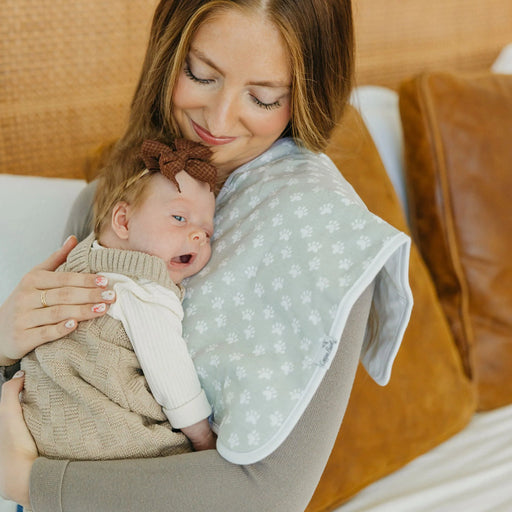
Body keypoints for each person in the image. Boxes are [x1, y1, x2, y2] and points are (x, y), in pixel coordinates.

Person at [0, 1, 412, 511]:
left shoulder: (328, 241)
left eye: (263, 97)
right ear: (169, 56)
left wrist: (30, 483)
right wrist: (5, 343)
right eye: (200, 74)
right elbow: (42, 394)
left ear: (306, 96)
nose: (217, 120)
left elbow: (270, 494)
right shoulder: (106, 203)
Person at [21, 138, 218, 460]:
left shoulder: (76, 263)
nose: (197, 235)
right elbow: (169, 369)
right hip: (102, 436)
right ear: (123, 221)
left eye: (207, 232)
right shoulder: (145, 286)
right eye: (179, 218)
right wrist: (202, 435)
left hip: (38, 421)